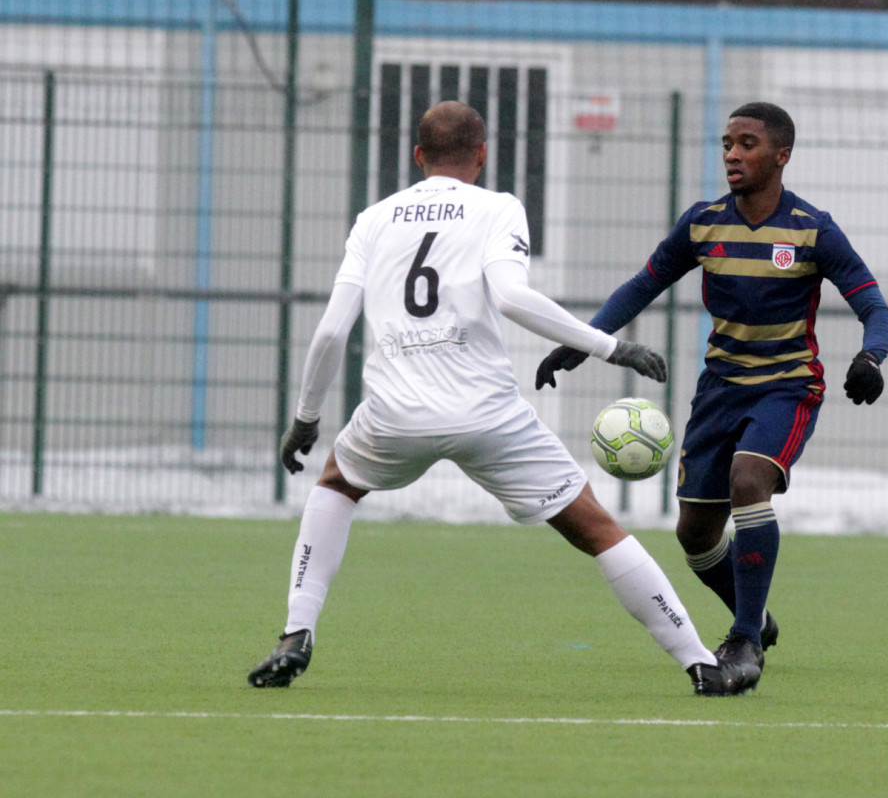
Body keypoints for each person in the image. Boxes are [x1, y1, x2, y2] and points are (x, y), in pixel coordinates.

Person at [248, 101, 758, 697]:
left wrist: (305, 421)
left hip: (394, 412)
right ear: (482, 153)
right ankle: (700, 663)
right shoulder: (497, 208)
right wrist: (610, 349)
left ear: (418, 157)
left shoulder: (375, 219)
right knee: (596, 529)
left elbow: (333, 330)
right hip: (487, 413)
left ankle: (296, 633)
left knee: (336, 484)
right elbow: (513, 299)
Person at [536, 101, 888, 688]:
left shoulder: (813, 228)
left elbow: (874, 307)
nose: (732, 153)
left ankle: (746, 641)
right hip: (720, 388)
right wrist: (583, 342)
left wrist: (870, 357)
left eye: (747, 143)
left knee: (749, 481)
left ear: (781, 155)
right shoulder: (703, 222)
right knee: (696, 536)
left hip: (787, 386)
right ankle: (755, 615)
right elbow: (642, 284)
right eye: (727, 142)